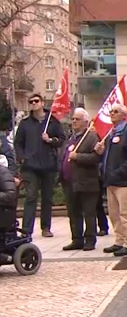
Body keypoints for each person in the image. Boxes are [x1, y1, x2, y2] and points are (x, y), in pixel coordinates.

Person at [14, 93, 66, 237]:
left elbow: (62, 139)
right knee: (30, 197)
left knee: (47, 197)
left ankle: (46, 227)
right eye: (31, 102)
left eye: (36, 101)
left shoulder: (52, 121)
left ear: (42, 103)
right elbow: (18, 143)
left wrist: (50, 140)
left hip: (48, 164)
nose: (33, 104)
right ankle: (27, 230)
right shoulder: (25, 123)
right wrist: (22, 157)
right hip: (30, 166)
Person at [95, 104, 127, 257]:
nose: (112, 114)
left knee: (125, 214)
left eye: (116, 112)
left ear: (124, 115)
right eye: (111, 111)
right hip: (110, 181)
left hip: (123, 181)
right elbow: (109, 156)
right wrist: (101, 156)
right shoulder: (111, 133)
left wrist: (119, 172)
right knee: (114, 214)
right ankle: (119, 241)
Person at [60, 109, 101, 251]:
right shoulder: (71, 138)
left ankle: (90, 239)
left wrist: (78, 157)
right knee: (73, 212)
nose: (74, 121)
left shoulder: (91, 137)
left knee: (89, 213)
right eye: (73, 119)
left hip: (87, 182)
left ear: (85, 122)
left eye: (77, 119)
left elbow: (96, 158)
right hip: (70, 182)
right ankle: (77, 239)